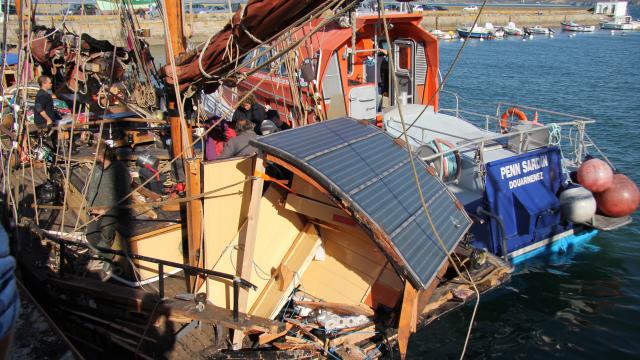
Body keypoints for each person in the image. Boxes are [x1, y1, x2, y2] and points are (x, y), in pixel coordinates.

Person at [85, 142, 131, 281]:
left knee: (106, 232)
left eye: (96, 154)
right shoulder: (97, 169)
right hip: (96, 209)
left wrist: (105, 210)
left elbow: (123, 192)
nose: (94, 157)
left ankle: (106, 263)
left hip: (114, 209)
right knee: (90, 234)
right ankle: (101, 256)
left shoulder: (119, 169)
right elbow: (92, 190)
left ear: (102, 155)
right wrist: (92, 209)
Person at [34, 75, 59, 150]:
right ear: (44, 84)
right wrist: (48, 119)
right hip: (44, 122)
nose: (51, 84)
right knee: (49, 141)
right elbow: (39, 107)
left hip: (48, 121)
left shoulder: (45, 94)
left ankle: (56, 150)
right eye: (50, 83)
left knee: (54, 138)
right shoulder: (42, 95)